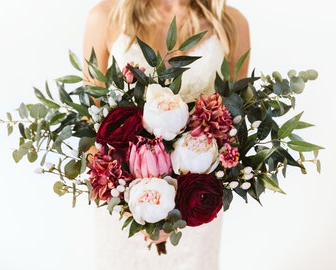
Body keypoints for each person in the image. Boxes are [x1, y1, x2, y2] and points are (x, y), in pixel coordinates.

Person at [82, 0, 250, 269]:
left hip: (195, 211)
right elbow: (90, 120)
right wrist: (136, 206)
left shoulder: (232, 24)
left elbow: (235, 122)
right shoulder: (105, 18)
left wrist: (176, 214)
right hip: (126, 212)